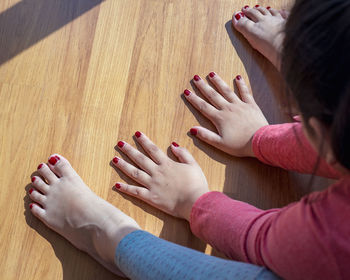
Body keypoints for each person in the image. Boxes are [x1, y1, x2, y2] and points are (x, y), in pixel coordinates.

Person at [27, 1, 350, 279]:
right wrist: (258, 139)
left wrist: (195, 202)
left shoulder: (337, 233)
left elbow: (266, 242)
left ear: (322, 130)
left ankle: (104, 238)